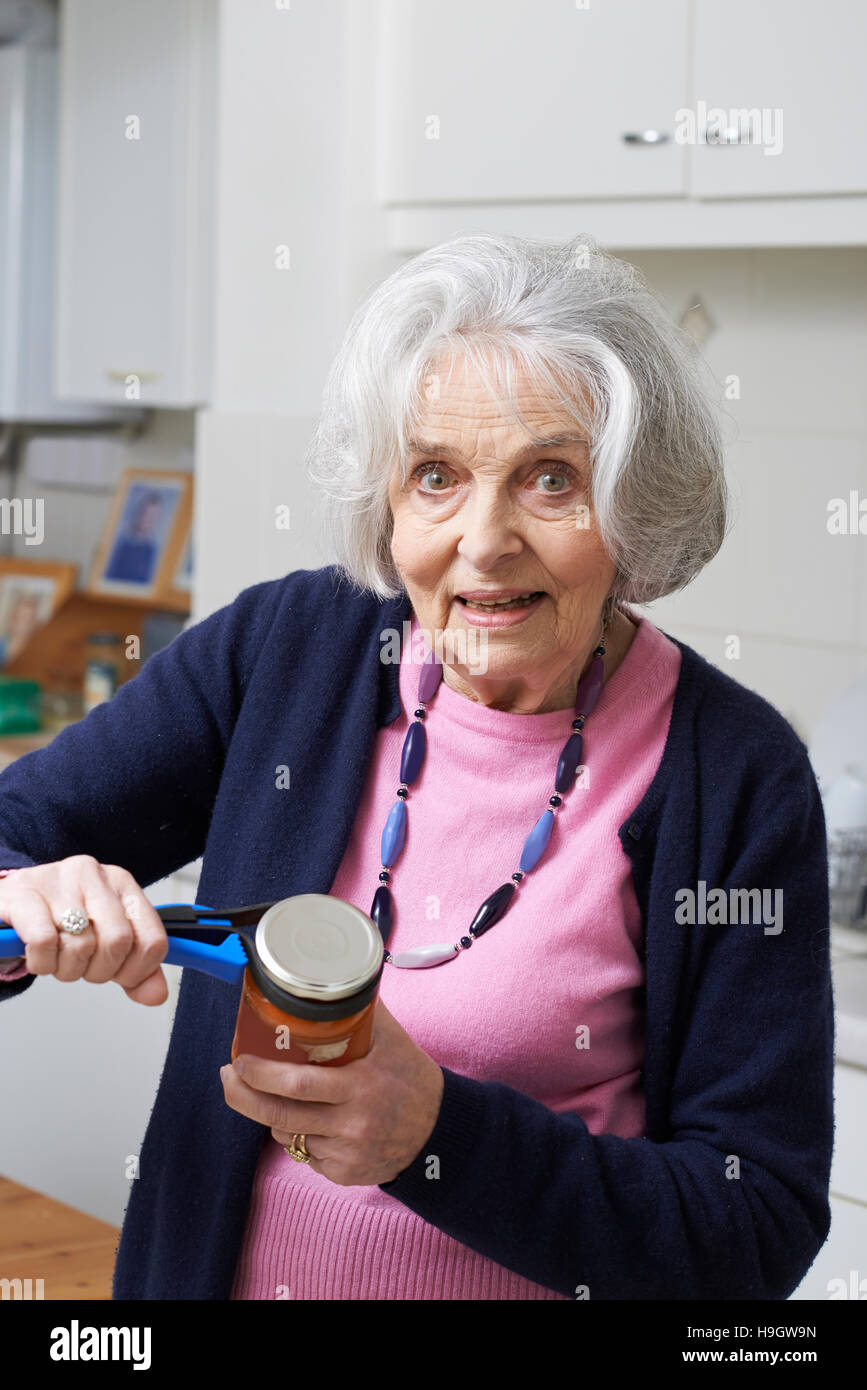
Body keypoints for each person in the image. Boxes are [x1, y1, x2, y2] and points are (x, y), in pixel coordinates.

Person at [0, 233, 833, 1300]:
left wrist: (436, 1136)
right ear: (387, 502)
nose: (483, 542)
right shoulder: (289, 651)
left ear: (631, 504)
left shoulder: (738, 777)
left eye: (549, 479)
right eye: (436, 475)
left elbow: (751, 1228)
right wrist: (25, 899)